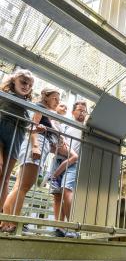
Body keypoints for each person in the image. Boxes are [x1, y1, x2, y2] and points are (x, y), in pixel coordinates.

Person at [0, 88, 60, 232]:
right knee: (23, 186)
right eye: (55, 98)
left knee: (20, 186)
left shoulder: (49, 114)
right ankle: (12, 223)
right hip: (36, 143)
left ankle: (6, 222)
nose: (57, 101)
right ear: (46, 97)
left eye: (59, 99)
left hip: (40, 145)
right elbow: (33, 127)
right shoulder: (40, 107)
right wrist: (35, 146)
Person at [51, 100, 87, 237]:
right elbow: (55, 143)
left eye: (84, 111)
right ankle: (59, 228)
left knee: (67, 190)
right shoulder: (65, 125)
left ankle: (71, 227)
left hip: (74, 163)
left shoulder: (86, 128)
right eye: (80, 110)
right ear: (73, 112)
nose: (82, 113)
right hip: (58, 160)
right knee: (57, 194)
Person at [0, 70, 34, 212]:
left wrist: (36, 130)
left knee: (5, 178)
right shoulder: (4, 94)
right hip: (1, 129)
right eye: (24, 82)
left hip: (17, 136)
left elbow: (27, 126)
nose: (26, 86)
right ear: (14, 80)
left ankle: (1, 215)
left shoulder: (29, 105)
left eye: (30, 85)